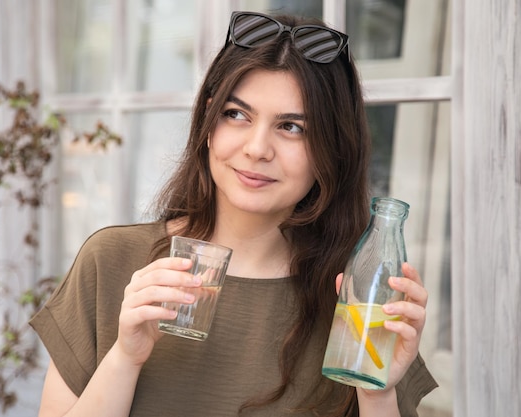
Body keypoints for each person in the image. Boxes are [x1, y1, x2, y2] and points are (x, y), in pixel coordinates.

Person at [30, 11, 437, 417]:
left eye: (292, 127)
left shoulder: (356, 301)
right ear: (209, 123)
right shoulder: (113, 261)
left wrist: (377, 394)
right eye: (236, 114)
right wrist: (124, 358)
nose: (257, 148)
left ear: (332, 148)